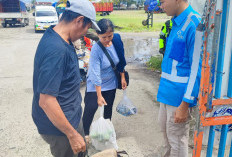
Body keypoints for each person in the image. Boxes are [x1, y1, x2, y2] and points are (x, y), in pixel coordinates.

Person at [31, 0, 100, 156]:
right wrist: (72, 135)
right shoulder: (56, 50)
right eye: (87, 27)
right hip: (60, 129)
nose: (85, 33)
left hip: (70, 118)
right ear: (79, 20)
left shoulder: (58, 35)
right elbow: (46, 101)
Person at [156, 0, 202, 156]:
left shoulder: (194, 24)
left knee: (177, 140)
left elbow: (197, 68)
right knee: (166, 137)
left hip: (179, 98)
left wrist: (185, 103)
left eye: (162, 2)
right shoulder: (175, 22)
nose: (160, 6)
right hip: (166, 94)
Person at [82, 19, 127, 141]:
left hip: (110, 83)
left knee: (108, 110)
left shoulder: (116, 40)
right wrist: (99, 95)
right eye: (103, 37)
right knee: (90, 109)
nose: (107, 40)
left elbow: (121, 60)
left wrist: (122, 77)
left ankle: (106, 133)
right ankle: (84, 134)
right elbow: (95, 73)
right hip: (95, 84)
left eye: (109, 36)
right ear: (97, 35)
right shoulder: (96, 49)